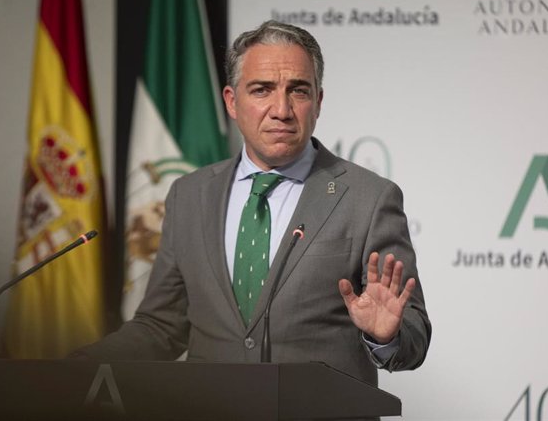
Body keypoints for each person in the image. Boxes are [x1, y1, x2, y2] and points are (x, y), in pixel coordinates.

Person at [77, 20, 431, 388]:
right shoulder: (190, 195)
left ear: (318, 102)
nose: (282, 109)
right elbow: (162, 325)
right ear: (232, 101)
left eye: (298, 91)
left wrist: (386, 337)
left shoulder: (368, 198)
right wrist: (79, 365)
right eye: (262, 90)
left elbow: (413, 333)